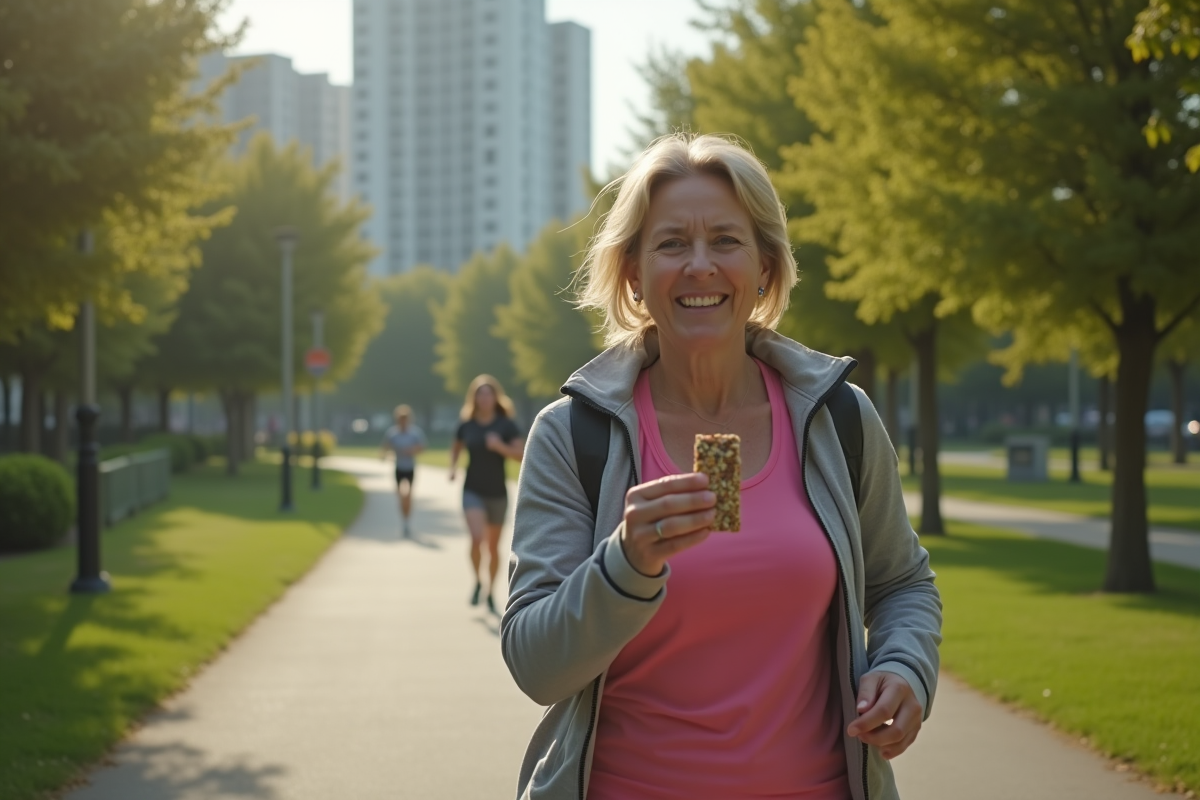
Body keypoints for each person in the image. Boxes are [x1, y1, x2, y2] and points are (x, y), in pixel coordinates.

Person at [502, 133, 942, 800]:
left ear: (765, 266)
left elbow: (903, 582)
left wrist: (906, 667)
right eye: (672, 243)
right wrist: (625, 564)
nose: (700, 265)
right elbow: (536, 668)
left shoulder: (838, 418)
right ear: (633, 273)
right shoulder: (572, 435)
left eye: (726, 241)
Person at [448, 375, 524, 614]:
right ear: (474, 398)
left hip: (497, 492)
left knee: (492, 548)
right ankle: (477, 581)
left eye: (488, 394)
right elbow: (456, 446)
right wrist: (453, 467)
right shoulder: (466, 425)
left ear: (495, 397)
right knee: (476, 538)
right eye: (479, 394)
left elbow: (521, 454)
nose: (484, 398)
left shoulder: (506, 425)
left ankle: (490, 591)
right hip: (472, 489)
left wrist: (499, 446)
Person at [378, 404, 426, 537]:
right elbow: (385, 446)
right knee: (400, 496)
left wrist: (411, 450)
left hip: (410, 468)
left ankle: (407, 521)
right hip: (398, 468)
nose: (403, 421)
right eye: (401, 418)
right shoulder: (393, 433)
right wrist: (384, 454)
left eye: (405, 418)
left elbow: (422, 447)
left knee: (408, 495)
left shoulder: (414, 433)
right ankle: (403, 520)